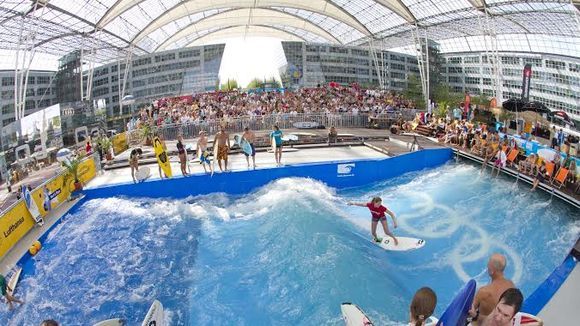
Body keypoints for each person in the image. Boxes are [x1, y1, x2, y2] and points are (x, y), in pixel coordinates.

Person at [470, 253, 516, 323]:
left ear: (491, 271)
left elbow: (470, 311)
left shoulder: (484, 291)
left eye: (488, 266)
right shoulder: (511, 284)